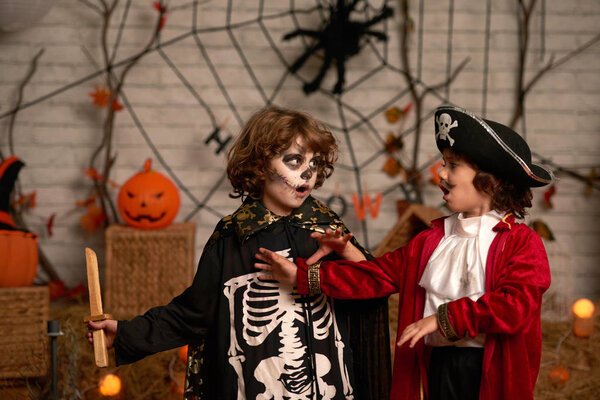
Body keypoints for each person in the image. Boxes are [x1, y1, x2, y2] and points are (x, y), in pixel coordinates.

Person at [87, 106, 391, 400]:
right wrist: (126, 333)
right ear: (260, 166)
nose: (307, 174)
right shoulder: (233, 236)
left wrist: (347, 249)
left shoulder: (327, 229)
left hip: (327, 385)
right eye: (295, 161)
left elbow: (377, 285)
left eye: (314, 163)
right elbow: (193, 313)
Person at [255, 105, 553, 400]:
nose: (441, 172)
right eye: (443, 162)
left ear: (492, 179)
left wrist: (442, 319)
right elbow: (375, 277)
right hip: (437, 365)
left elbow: (515, 306)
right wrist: (303, 275)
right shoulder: (430, 241)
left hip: (489, 371)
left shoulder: (522, 243)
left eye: (453, 165)